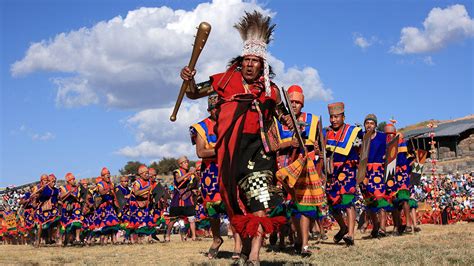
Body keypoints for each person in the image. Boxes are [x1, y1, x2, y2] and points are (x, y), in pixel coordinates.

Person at [180, 11, 292, 263]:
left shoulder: (270, 90)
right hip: (231, 154)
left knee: (261, 203)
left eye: (255, 61)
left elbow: (284, 115)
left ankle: (254, 255)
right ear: (240, 61)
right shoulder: (225, 81)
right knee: (237, 204)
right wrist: (189, 79)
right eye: (247, 60)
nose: (250, 64)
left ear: (263, 65)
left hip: (259, 153)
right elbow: (194, 93)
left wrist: (289, 121)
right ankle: (242, 248)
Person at [274, 85, 326, 256]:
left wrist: (318, 151)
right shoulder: (278, 120)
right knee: (290, 208)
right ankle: (294, 237)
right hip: (285, 170)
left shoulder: (313, 120)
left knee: (305, 207)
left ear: (302, 104)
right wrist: (290, 143)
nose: (295, 105)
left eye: (298, 102)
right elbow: (271, 145)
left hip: (306, 170)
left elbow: (321, 149)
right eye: (292, 102)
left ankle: (304, 244)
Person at [190, 93, 242, 259]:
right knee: (212, 209)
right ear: (209, 109)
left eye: (221, 108)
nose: (218, 111)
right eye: (215, 109)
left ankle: (238, 243)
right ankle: (216, 238)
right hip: (210, 173)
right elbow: (200, 152)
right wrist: (221, 150)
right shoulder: (201, 127)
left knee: (232, 206)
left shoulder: (231, 123)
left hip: (229, 169)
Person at [325, 102, 363, 246]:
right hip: (332, 172)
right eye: (331, 117)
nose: (333, 120)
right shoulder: (326, 133)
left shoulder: (354, 131)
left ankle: (351, 235)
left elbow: (362, 149)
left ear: (343, 116)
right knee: (332, 204)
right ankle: (343, 227)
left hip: (348, 170)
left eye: (336, 117)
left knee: (348, 201)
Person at [359, 114, 390, 238]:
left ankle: (382, 228)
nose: (369, 125)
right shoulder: (361, 136)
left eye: (372, 123)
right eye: (367, 123)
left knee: (380, 197)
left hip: (378, 170)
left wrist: (386, 156)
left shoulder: (383, 137)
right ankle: (375, 226)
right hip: (364, 171)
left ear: (376, 125)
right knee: (369, 201)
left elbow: (392, 147)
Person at [167, 156, 198, 241]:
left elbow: (196, 182)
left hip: (188, 197)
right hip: (178, 198)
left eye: (187, 162)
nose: (187, 164)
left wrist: (195, 174)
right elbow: (178, 180)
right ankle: (167, 236)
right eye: (185, 162)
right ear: (180, 164)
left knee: (191, 218)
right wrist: (189, 174)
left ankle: (194, 237)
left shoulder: (190, 173)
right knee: (173, 219)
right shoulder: (177, 172)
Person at [95, 167, 120, 244]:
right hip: (103, 207)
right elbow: (102, 193)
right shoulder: (100, 184)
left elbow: (114, 194)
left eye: (109, 174)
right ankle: (104, 240)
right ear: (102, 177)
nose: (108, 176)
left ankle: (114, 239)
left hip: (111, 206)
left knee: (113, 222)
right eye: (106, 175)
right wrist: (109, 189)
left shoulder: (112, 184)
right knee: (105, 223)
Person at [59, 173, 83, 246]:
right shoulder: (63, 188)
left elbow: (79, 196)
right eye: (72, 180)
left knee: (78, 221)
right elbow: (61, 197)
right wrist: (69, 192)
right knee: (65, 224)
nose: (73, 181)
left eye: (74, 179)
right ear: (68, 181)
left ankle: (77, 238)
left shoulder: (77, 188)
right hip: (67, 207)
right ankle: (63, 239)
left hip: (76, 206)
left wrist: (80, 199)